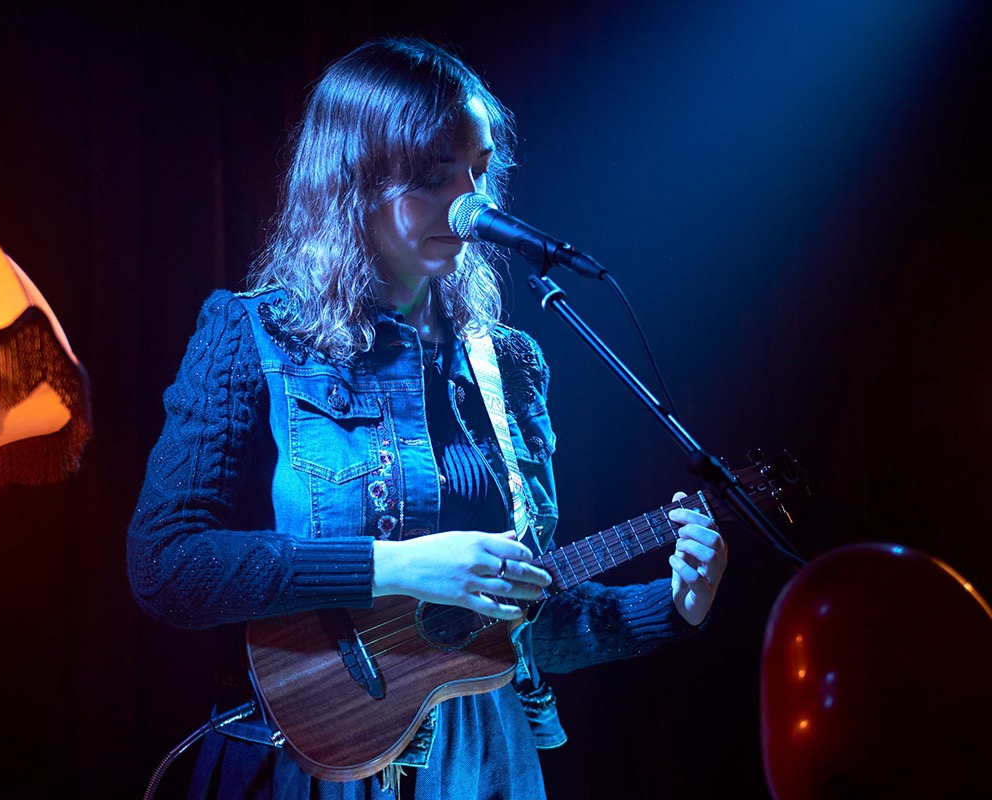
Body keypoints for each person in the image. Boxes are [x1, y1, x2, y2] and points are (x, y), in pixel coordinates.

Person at [127, 36, 728, 800]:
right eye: (434, 175)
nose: (470, 202)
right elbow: (166, 568)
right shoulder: (251, 338)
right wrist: (399, 567)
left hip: (483, 767)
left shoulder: (506, 364)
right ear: (353, 181)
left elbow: (517, 624)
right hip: (309, 763)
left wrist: (673, 606)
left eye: (478, 171)